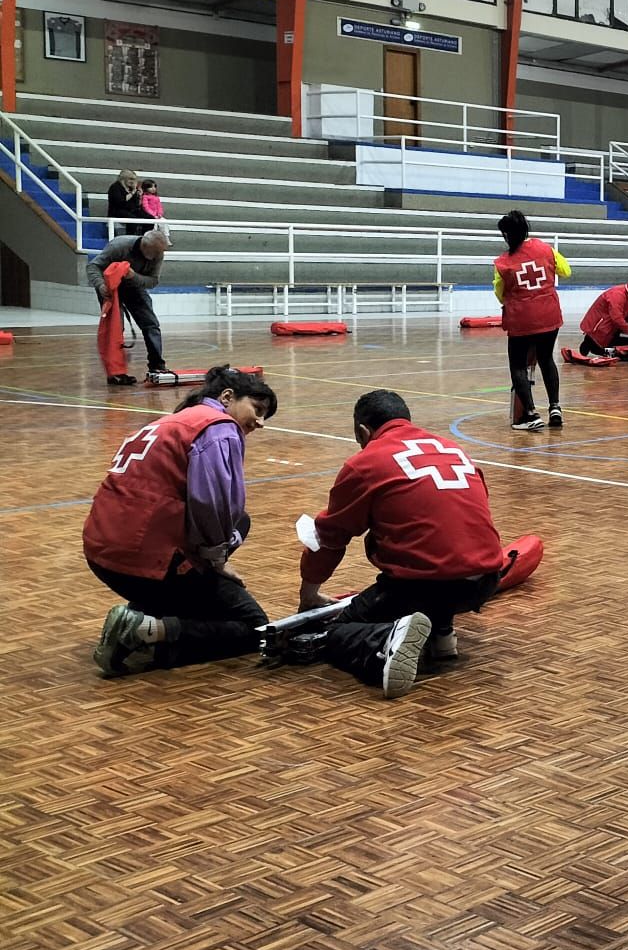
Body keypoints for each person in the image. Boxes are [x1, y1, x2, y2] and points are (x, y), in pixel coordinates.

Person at [289, 390, 509, 698]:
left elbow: (330, 536)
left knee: (338, 632)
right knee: (434, 548)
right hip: (485, 581)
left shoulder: (365, 462)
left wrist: (309, 594)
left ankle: (383, 642)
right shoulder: (452, 449)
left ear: (362, 431)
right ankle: (441, 632)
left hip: (423, 587)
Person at [86, 366, 279, 678]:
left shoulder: (173, 420)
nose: (259, 422)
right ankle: (145, 634)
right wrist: (215, 560)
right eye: (257, 410)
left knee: (241, 522)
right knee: (254, 627)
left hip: (102, 552)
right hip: (144, 558)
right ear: (227, 397)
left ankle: (143, 615)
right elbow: (212, 502)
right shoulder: (218, 426)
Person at [494, 209, 569, 432]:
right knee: (546, 359)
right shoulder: (546, 249)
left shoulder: (503, 263)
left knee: (518, 366)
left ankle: (530, 414)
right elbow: (566, 271)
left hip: (521, 319)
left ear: (506, 234)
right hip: (548, 314)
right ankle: (555, 407)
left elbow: (499, 293)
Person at [87, 226, 171, 384]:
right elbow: (93, 266)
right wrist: (100, 286)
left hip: (134, 286)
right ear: (145, 247)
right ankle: (115, 373)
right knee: (115, 329)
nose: (160, 256)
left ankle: (157, 365)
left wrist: (134, 276)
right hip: (109, 288)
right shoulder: (119, 246)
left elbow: (152, 281)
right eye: (157, 252)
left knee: (151, 324)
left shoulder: (158, 254)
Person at [579, 276, 628, 359]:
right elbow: (617, 318)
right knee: (599, 349)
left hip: (612, 326)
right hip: (600, 327)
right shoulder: (617, 294)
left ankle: (615, 348)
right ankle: (590, 343)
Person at [106, 168, 147, 236]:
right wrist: (132, 192)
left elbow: (136, 204)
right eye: (130, 179)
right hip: (117, 211)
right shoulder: (115, 187)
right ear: (123, 179)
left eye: (134, 179)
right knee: (133, 219)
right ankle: (129, 238)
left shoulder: (131, 188)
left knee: (149, 218)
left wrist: (139, 196)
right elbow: (120, 202)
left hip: (131, 210)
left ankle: (145, 238)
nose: (133, 181)